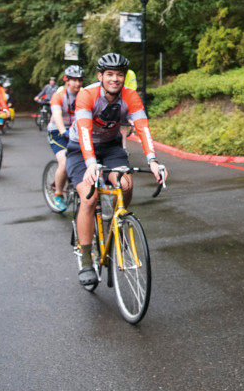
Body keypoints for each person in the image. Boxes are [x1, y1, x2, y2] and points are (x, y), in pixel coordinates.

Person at [65, 53, 166, 286]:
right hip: (81, 150)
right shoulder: (87, 95)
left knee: (126, 183)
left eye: (119, 74)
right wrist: (91, 164)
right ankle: (87, 260)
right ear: (100, 76)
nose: (115, 79)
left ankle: (117, 223)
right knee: (89, 198)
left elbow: (142, 128)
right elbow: (83, 132)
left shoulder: (130, 96)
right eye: (109, 74)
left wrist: (152, 160)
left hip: (110, 147)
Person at [47, 65, 84, 211]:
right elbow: (56, 115)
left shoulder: (84, 94)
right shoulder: (59, 95)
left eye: (80, 80)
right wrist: (63, 130)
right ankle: (58, 194)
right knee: (65, 162)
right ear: (66, 80)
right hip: (58, 133)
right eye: (74, 80)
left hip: (77, 132)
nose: (77, 83)